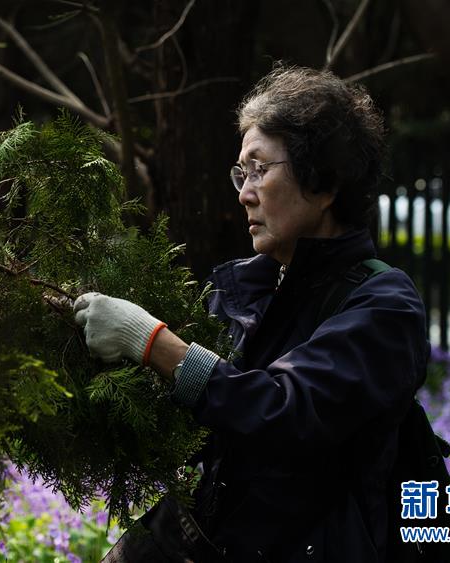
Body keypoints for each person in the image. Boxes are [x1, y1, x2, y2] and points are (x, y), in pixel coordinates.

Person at [73, 66, 430, 562]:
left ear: (324, 183)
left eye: (261, 169)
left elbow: (284, 412)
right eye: (241, 173)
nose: (244, 193)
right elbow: (203, 431)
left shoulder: (384, 307)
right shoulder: (248, 287)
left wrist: (150, 341)